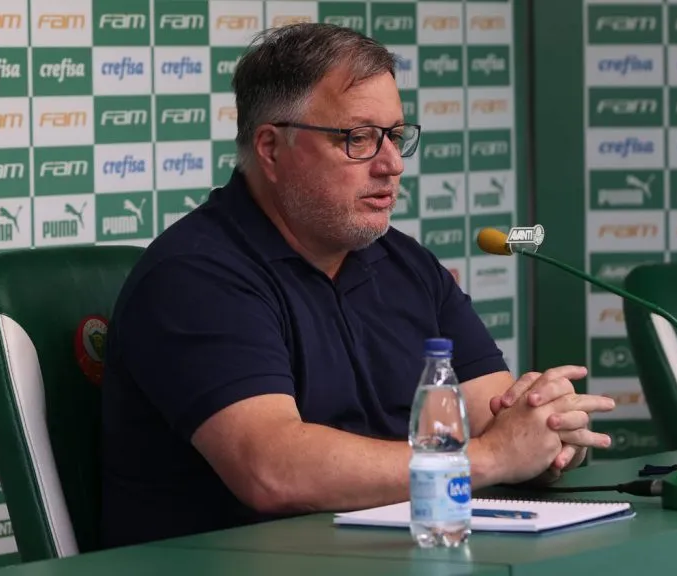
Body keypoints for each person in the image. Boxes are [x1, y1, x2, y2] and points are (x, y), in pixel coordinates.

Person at [99, 23, 616, 550]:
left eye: (396, 136)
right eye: (359, 138)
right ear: (272, 149)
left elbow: (497, 419)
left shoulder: (407, 264)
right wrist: (489, 459)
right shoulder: (194, 275)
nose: (392, 165)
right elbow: (272, 469)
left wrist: (548, 433)